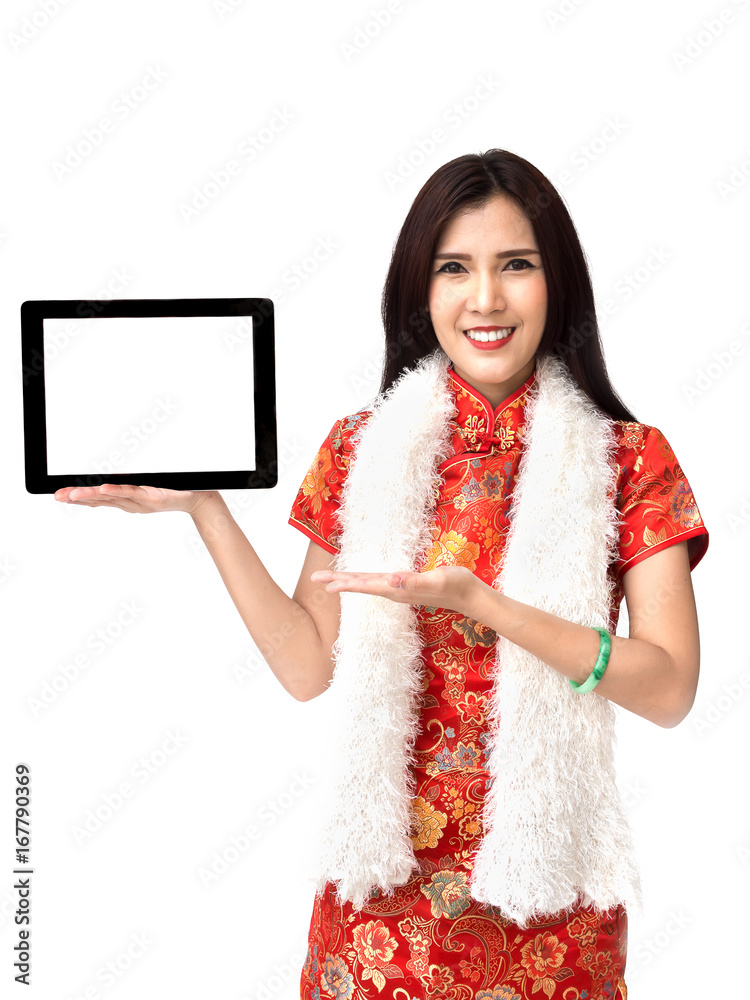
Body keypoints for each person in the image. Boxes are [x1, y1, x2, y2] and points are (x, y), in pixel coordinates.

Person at [55, 148, 709, 1000]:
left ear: (561, 285)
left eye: (517, 265)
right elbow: (306, 667)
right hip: (376, 912)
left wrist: (490, 607)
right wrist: (206, 511)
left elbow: (669, 689)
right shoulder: (361, 449)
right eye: (453, 269)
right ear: (419, 290)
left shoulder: (629, 459)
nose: (486, 299)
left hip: (552, 917)